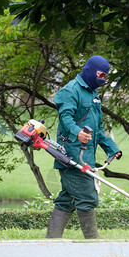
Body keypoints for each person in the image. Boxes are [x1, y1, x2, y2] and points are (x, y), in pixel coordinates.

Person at [46, 55, 122, 239]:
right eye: (100, 75)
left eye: (105, 77)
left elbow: (98, 129)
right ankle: (93, 239)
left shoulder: (93, 94)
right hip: (71, 155)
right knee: (87, 197)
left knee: (67, 200)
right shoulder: (70, 90)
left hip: (85, 155)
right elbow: (66, 118)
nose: (102, 80)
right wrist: (77, 132)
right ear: (90, 70)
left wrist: (111, 148)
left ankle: (51, 241)